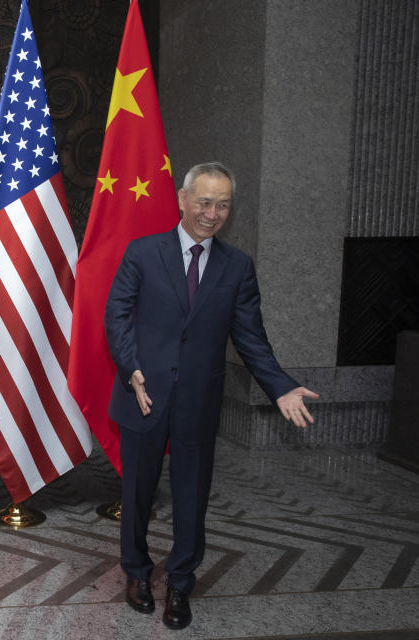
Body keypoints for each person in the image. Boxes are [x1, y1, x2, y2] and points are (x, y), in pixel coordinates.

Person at [104, 162, 319, 631]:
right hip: (142, 392)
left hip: (199, 399)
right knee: (137, 492)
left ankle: (180, 581)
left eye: (222, 205)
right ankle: (137, 573)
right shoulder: (143, 252)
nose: (212, 213)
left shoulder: (236, 265)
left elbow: (251, 336)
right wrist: (131, 368)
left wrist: (280, 386)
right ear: (182, 199)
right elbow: (116, 317)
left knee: (191, 496)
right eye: (204, 201)